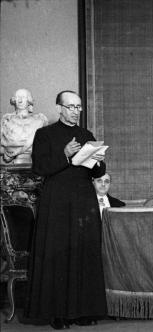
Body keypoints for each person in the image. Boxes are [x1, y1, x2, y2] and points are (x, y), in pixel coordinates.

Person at [25, 90, 107, 329]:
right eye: (71, 107)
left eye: (78, 107)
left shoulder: (86, 134)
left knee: (84, 254)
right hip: (57, 203)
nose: (75, 111)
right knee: (58, 255)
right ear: (59, 108)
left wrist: (99, 162)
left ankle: (84, 312)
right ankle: (58, 314)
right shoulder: (45, 134)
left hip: (83, 202)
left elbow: (97, 173)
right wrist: (65, 155)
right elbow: (39, 168)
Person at [1, 88, 48, 164]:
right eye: (17, 97)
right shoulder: (6, 121)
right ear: (14, 100)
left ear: (29, 100)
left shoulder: (39, 121)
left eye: (23, 97)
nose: (20, 100)